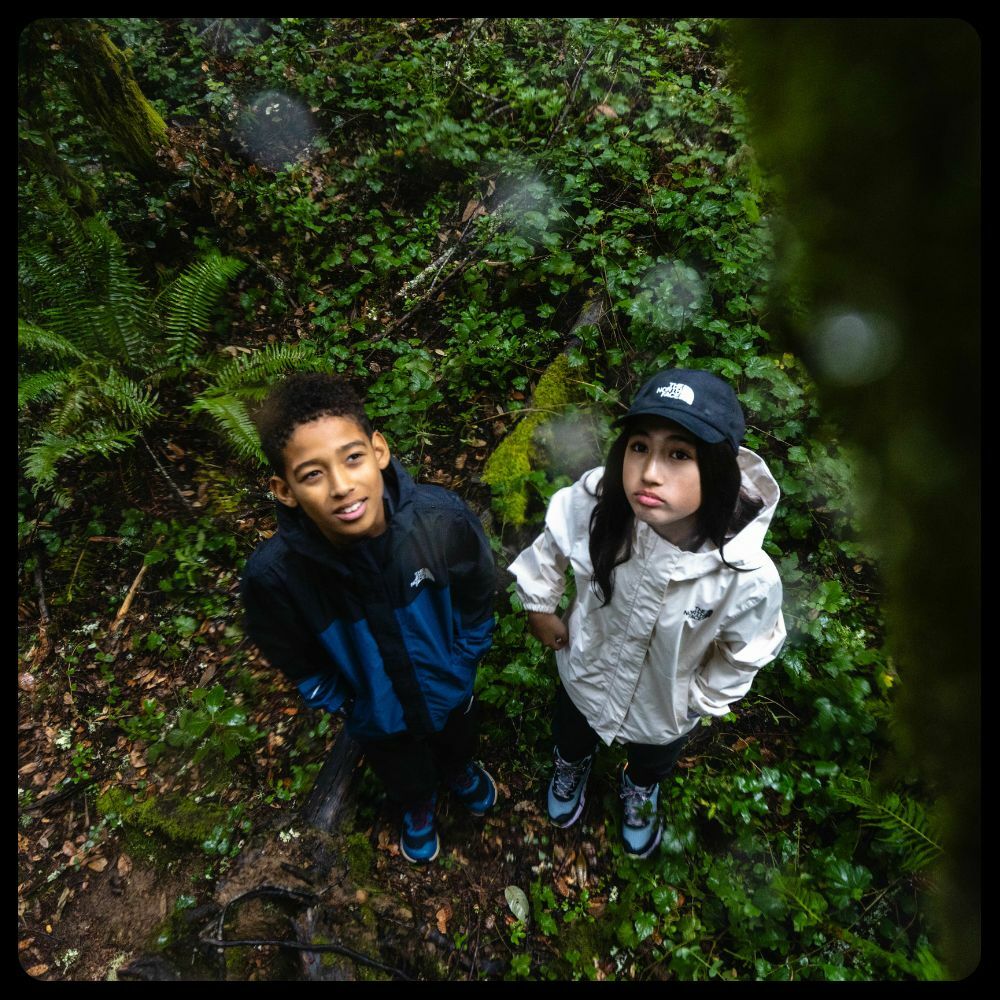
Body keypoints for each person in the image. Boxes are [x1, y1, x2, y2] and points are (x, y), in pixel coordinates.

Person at [508, 368, 786, 858]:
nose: (650, 472)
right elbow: (552, 542)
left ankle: (641, 789)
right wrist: (539, 605)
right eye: (640, 447)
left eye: (679, 454)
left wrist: (697, 699)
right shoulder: (597, 505)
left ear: (719, 469)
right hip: (586, 670)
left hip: (664, 705)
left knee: (654, 758)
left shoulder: (744, 574)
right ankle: (571, 764)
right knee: (572, 728)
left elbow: (748, 649)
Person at [241, 372, 498, 863]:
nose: (341, 486)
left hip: (450, 684)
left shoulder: (439, 521)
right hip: (377, 714)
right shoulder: (277, 578)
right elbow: (289, 651)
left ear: (378, 451)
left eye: (352, 458)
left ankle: (460, 770)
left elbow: (476, 591)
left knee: (458, 735)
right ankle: (418, 804)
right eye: (312, 474)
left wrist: (464, 659)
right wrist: (343, 700)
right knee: (400, 766)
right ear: (284, 489)